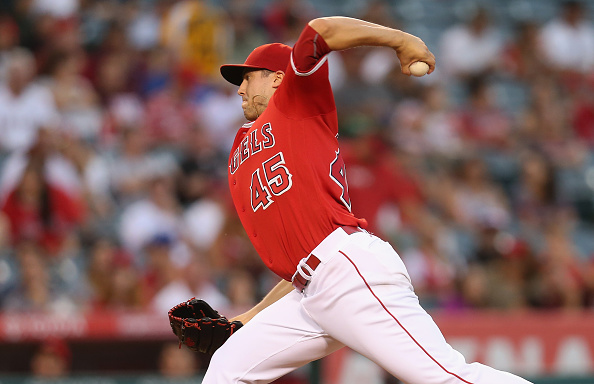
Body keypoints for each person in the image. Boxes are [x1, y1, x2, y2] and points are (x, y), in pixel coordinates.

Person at [205, 16, 533, 384]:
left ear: (278, 78)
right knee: (226, 369)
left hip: (348, 271)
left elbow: (320, 31)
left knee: (445, 377)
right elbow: (300, 262)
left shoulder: (297, 102)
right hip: (310, 288)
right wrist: (244, 320)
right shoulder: (242, 145)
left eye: (248, 77)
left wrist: (400, 41)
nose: (239, 89)